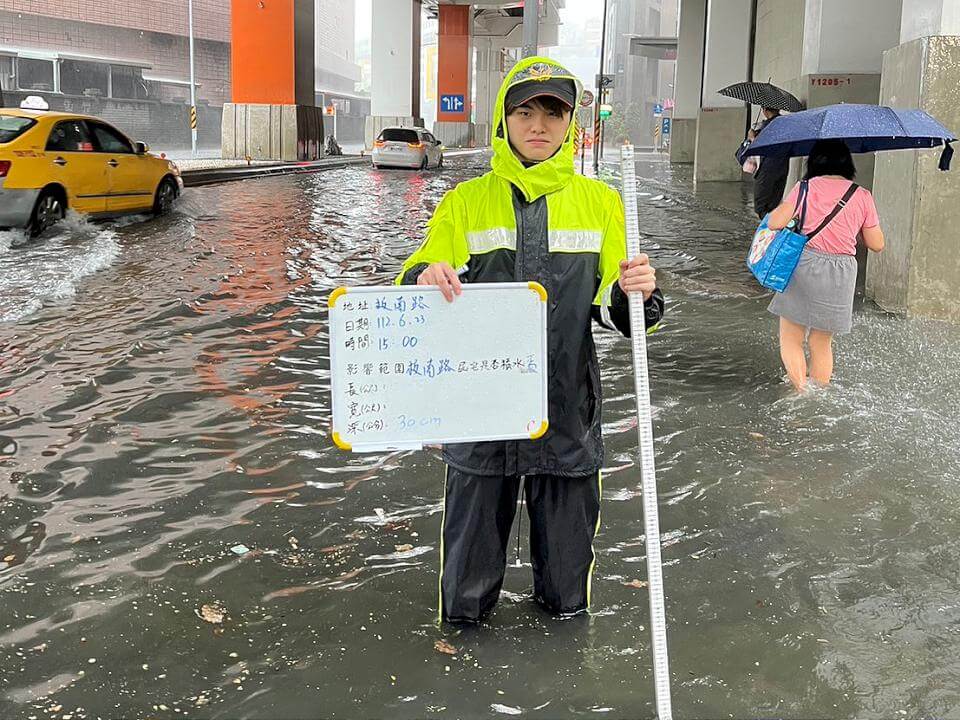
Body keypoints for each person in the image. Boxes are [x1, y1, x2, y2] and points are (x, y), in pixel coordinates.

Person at [395, 56, 665, 623]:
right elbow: (415, 282)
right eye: (524, 110)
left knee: (568, 600)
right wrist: (424, 278)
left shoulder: (603, 203)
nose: (538, 124)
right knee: (463, 600)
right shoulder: (465, 202)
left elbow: (618, 316)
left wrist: (636, 292)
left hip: (567, 412)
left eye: (553, 111)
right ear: (503, 119)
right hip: (479, 417)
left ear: (570, 123)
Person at [766, 139, 885, 391]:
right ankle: (818, 395)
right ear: (847, 163)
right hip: (842, 272)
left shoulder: (805, 188)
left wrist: (788, 208)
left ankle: (799, 391)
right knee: (821, 343)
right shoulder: (862, 195)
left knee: (791, 337)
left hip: (806, 264)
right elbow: (877, 244)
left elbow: (776, 223)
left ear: (814, 161)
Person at [748, 108, 790, 218]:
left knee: (761, 205)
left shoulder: (768, 126)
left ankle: (767, 229)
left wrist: (752, 138)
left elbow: (762, 146)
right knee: (774, 203)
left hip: (767, 167)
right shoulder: (786, 123)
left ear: (765, 110)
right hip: (783, 166)